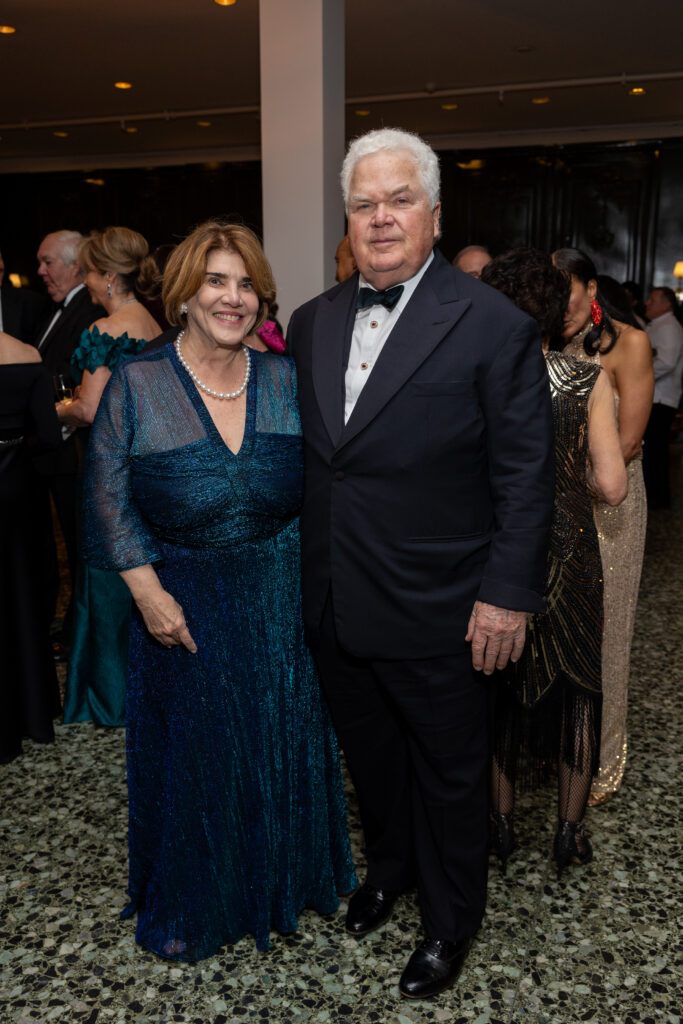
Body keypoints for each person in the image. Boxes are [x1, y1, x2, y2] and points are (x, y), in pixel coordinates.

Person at [288, 128, 554, 1000]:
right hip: (335, 598)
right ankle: (391, 870)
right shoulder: (311, 321)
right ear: (346, 219)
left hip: (444, 606)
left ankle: (449, 921)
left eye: (398, 200)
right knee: (371, 761)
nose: (380, 218)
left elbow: (524, 479)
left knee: (448, 775)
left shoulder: (492, 325)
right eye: (363, 204)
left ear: (434, 215)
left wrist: (505, 597)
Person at [81, 220, 356, 960]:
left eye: (245, 285)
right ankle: (203, 896)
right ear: (182, 295)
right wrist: (147, 594)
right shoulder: (139, 383)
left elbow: (334, 484)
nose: (233, 298)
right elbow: (106, 497)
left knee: (279, 745)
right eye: (215, 282)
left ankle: (283, 881)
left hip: (281, 603)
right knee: (200, 761)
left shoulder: (286, 379)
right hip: (183, 607)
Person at [481, 249, 627, 876]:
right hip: (571, 553)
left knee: (496, 685)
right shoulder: (587, 380)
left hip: (495, 554)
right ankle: (569, 831)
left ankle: (498, 824)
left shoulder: (477, 380)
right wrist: (572, 482)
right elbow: (614, 487)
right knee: (578, 690)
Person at [554, 248, 654, 806]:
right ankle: (561, 747)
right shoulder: (545, 341)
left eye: (567, 294)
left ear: (591, 289)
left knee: (607, 632)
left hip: (609, 507)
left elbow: (630, 442)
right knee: (558, 630)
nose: (559, 307)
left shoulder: (629, 344)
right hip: (556, 508)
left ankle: (602, 761)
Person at [57, 227, 161, 727]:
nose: (87, 283)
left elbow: (91, 409)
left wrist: (60, 409)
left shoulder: (105, 329)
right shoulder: (156, 325)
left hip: (111, 471)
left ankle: (108, 695)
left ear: (109, 277)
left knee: (106, 576)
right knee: (145, 573)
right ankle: (148, 687)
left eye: (90, 274)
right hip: (150, 468)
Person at [33, 230, 105, 657]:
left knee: (80, 545)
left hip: (76, 448)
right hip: (56, 448)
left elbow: (84, 393)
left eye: (48, 262)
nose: (40, 271)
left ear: (77, 266)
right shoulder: (52, 310)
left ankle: (82, 633)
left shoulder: (90, 314)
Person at [0, 330, 62, 763]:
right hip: (16, 487)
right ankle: (32, 714)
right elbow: (50, 437)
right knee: (21, 595)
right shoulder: (25, 353)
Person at [642, 286, 683, 508]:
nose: (647, 303)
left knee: (655, 450)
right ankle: (656, 496)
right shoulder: (658, 325)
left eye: (652, 300)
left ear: (667, 304)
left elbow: (666, 362)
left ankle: (658, 498)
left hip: (661, 397)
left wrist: (638, 376)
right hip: (656, 395)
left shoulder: (669, 327)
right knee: (654, 449)